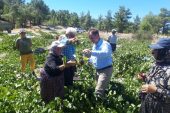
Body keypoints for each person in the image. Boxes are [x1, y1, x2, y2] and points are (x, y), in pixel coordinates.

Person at [138, 38, 170, 113]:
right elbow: (156, 80)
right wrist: (145, 77)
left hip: (161, 108)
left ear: (165, 52)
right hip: (148, 104)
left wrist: (156, 90)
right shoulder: (157, 64)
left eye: (156, 50)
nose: (152, 52)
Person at [83, 28, 113, 99]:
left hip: (105, 70)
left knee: (98, 92)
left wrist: (91, 52)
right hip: (97, 70)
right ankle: (104, 101)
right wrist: (86, 59)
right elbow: (94, 58)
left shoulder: (105, 44)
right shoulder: (95, 45)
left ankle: (100, 106)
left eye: (91, 38)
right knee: (98, 88)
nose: (91, 40)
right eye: (90, 38)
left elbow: (105, 53)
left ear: (97, 35)